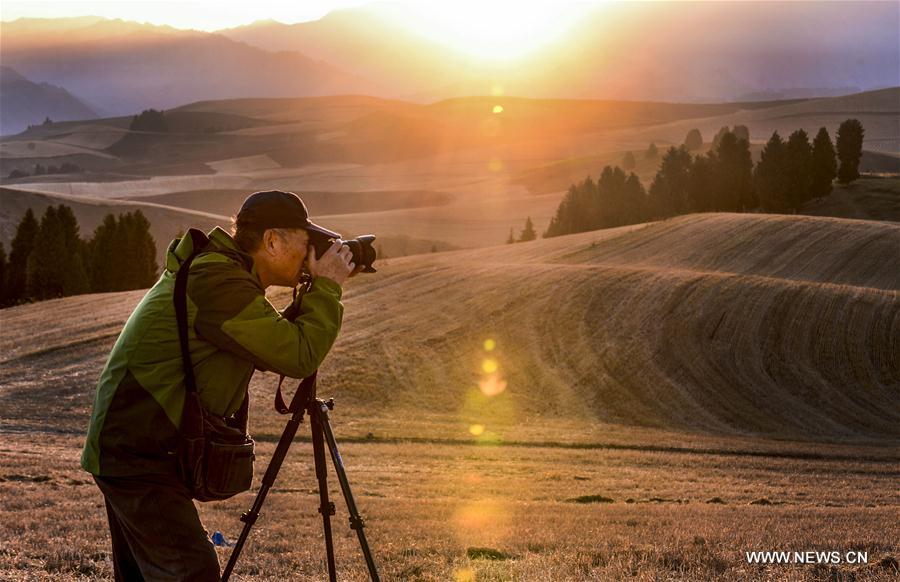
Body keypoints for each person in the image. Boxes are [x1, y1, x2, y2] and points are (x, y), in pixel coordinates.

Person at [80, 190, 357, 581]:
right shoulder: (218, 280)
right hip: (139, 449)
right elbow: (297, 355)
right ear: (272, 240)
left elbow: (267, 342)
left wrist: (316, 289)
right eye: (305, 242)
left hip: (135, 444)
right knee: (191, 572)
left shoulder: (222, 274)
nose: (310, 252)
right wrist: (327, 288)